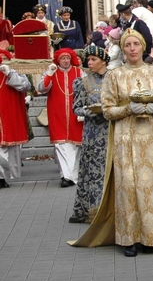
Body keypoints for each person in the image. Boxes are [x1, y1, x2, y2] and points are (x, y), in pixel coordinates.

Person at [68, 28, 153, 255]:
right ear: (122, 49)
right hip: (126, 137)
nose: (132, 48)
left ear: (143, 47)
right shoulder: (114, 75)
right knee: (128, 186)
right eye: (128, 45)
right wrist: (127, 109)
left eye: (136, 44)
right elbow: (107, 110)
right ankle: (128, 238)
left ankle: (152, 237)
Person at [68, 45, 111, 223]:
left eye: (93, 59)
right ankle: (91, 210)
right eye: (88, 59)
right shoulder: (82, 82)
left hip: (113, 130)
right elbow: (76, 108)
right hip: (93, 133)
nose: (89, 63)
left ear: (103, 60)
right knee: (93, 171)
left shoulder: (115, 78)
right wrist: (90, 111)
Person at [37, 48, 85, 187]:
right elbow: (42, 88)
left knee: (75, 146)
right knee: (61, 145)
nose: (65, 61)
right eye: (63, 58)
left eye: (68, 58)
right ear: (58, 60)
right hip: (57, 113)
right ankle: (65, 176)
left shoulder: (78, 72)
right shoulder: (51, 71)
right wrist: (49, 74)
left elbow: (86, 89)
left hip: (74, 113)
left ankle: (71, 176)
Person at [0, 50, 30, 188]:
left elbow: (25, 86)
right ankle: (2, 177)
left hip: (12, 114)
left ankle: (13, 177)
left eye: (5, 58)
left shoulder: (16, 71)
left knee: (13, 150)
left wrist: (10, 74)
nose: (2, 61)